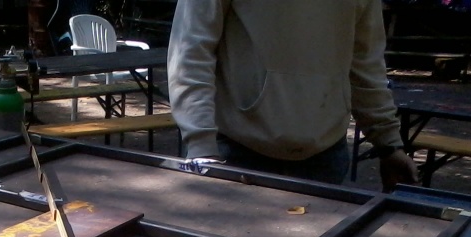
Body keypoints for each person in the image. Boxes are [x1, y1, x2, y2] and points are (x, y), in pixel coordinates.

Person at [167, 0, 419, 191]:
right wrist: (202, 148)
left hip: (325, 155)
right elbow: (191, 51)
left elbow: (365, 63)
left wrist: (389, 144)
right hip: (237, 152)